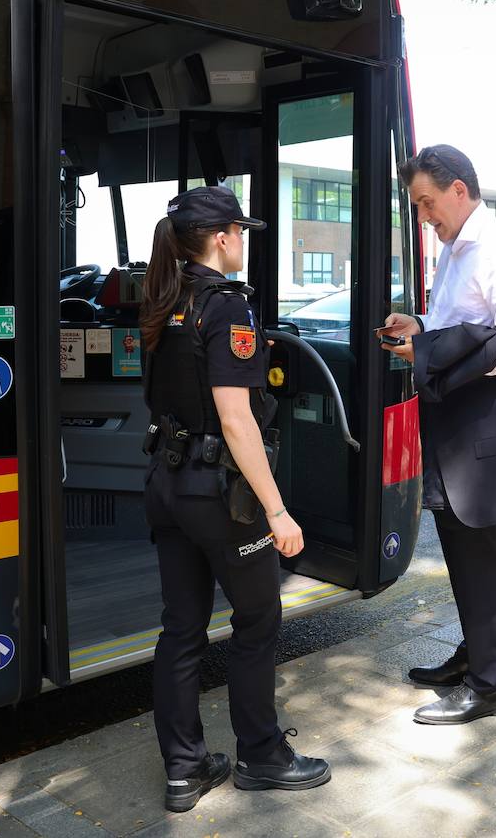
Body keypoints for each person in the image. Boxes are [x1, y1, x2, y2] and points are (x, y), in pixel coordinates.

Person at [139, 186, 329, 812]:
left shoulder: (167, 300)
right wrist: (276, 511)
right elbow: (237, 419)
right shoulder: (225, 308)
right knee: (257, 620)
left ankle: (184, 769)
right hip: (217, 493)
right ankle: (262, 756)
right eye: (240, 232)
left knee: (181, 629)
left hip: (166, 486)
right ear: (221, 238)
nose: (244, 241)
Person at [379, 145, 496, 726]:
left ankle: (491, 683)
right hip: (454, 412)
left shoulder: (495, 245)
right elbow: (459, 327)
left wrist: (430, 352)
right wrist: (422, 329)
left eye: (427, 203)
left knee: (476, 545)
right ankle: (475, 655)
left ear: (457, 189)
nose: (425, 217)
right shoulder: (453, 247)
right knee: (457, 540)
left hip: (481, 413)